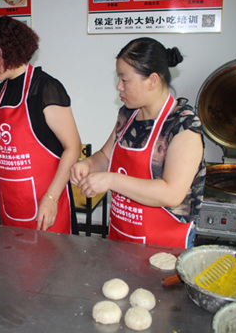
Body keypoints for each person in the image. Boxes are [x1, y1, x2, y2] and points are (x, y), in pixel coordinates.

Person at [70, 37, 205, 248]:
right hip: (121, 233)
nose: (118, 87)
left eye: (125, 80)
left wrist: (111, 181)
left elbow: (172, 194)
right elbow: (106, 156)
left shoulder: (183, 126)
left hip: (163, 244)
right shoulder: (128, 115)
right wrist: (87, 165)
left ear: (152, 80)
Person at [0, 16, 81, 233]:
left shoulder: (46, 89)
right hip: (8, 204)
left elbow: (73, 147)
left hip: (46, 203)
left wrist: (51, 197)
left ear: (11, 49)